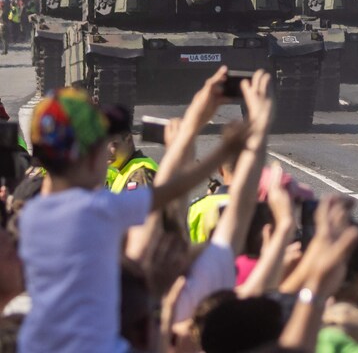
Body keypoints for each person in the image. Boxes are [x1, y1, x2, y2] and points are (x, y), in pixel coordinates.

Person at [17, 81, 248, 353]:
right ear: (89, 158)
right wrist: (220, 149)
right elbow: (171, 190)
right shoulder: (94, 210)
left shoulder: (31, 212)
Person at [103, 104, 159, 193]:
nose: (106, 152)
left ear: (128, 139)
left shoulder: (140, 174)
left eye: (112, 144)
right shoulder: (124, 171)